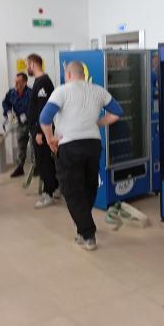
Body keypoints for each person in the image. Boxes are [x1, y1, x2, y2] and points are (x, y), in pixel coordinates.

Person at [40, 61, 123, 251]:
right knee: (89, 185)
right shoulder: (98, 90)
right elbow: (117, 112)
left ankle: (87, 234)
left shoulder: (62, 91)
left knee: (71, 190)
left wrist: (50, 138)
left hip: (69, 145)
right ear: (83, 74)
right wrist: (98, 123)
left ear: (68, 74)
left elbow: (44, 118)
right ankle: (83, 226)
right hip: (93, 144)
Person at [26, 54, 59, 208]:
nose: (26, 67)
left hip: (42, 131)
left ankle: (48, 194)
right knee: (45, 161)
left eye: (27, 64)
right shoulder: (38, 81)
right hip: (37, 130)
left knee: (43, 162)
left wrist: (40, 132)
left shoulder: (44, 83)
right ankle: (54, 187)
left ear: (33, 64)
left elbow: (44, 109)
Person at [2, 72, 31, 177]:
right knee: (21, 144)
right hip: (20, 123)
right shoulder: (12, 92)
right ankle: (20, 167)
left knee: (35, 146)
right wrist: (8, 112)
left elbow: (36, 107)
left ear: (25, 82)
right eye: (15, 81)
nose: (15, 84)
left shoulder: (31, 93)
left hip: (32, 123)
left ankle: (36, 168)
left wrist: (27, 115)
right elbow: (5, 103)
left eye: (18, 82)